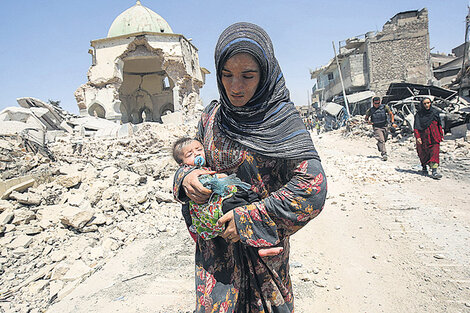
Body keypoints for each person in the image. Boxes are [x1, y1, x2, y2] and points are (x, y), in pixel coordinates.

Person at [173, 22, 327, 312]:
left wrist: (249, 218)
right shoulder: (211, 118)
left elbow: (313, 187)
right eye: (226, 75)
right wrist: (185, 176)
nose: (235, 86)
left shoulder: (284, 122)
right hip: (216, 256)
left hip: (263, 253)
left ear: (265, 75)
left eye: (248, 75)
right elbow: (191, 154)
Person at [172, 137, 283, 258]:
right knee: (240, 215)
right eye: (190, 154)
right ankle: (262, 245)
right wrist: (220, 177)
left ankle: (268, 239)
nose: (196, 154)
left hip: (228, 196)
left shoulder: (206, 167)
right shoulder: (190, 172)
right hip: (218, 206)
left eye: (199, 149)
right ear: (182, 163)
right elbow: (197, 192)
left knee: (253, 200)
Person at [413, 97, 444, 179]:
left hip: (434, 137)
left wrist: (441, 134)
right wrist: (418, 137)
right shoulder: (419, 115)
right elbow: (416, 127)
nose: (427, 105)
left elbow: (439, 124)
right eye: (425, 103)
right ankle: (424, 167)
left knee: (435, 153)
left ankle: (434, 171)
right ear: (422, 105)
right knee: (423, 153)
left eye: (428, 103)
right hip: (423, 137)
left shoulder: (435, 112)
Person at [364, 96, 397, 161]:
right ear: (373, 103)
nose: (377, 105)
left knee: (384, 139)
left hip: (384, 125)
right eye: (376, 103)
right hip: (376, 127)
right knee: (381, 140)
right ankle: (384, 154)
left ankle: (379, 145)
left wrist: (392, 122)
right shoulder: (370, 110)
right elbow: (366, 118)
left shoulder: (385, 107)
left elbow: (391, 114)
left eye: (378, 103)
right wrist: (368, 122)